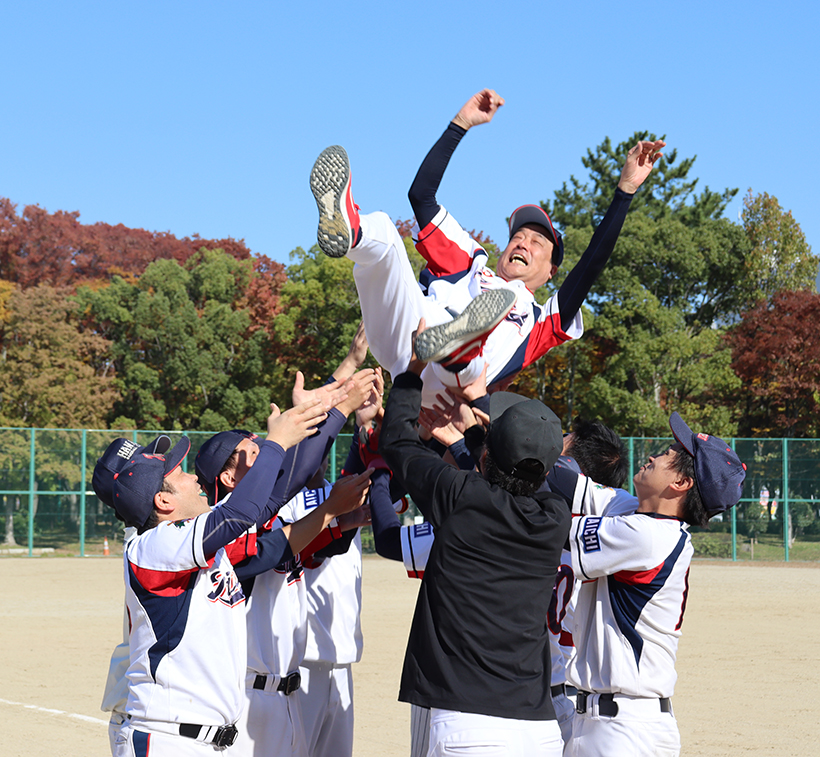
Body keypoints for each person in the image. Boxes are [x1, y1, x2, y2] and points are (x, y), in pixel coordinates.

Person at [310, 89, 664, 406]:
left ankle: (460, 345)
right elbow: (421, 197)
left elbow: (590, 266)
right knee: (385, 233)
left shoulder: (545, 319)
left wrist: (625, 192)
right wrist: (460, 124)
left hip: (449, 392)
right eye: (517, 236)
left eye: (537, 241)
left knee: (471, 346)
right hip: (407, 342)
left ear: (552, 270)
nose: (523, 242)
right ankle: (350, 229)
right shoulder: (471, 261)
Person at [108, 397, 367, 757]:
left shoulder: (194, 546)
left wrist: (332, 518)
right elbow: (241, 513)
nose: (194, 478)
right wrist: (277, 443)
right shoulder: (154, 547)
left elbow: (272, 540)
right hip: (168, 736)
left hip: (208, 735)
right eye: (180, 476)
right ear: (164, 503)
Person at [378, 322, 571, 756]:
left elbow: (395, 442)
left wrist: (412, 370)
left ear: (486, 455)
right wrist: (479, 434)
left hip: (467, 723)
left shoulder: (462, 495)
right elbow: (528, 477)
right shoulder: (554, 517)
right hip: (538, 729)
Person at [193, 372, 375, 757]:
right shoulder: (223, 522)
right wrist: (339, 408)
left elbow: (296, 548)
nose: (266, 453)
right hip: (252, 699)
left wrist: (339, 523)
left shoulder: (257, 518)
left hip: (288, 694)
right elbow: (274, 539)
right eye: (253, 451)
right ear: (228, 477)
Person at [548, 412, 746, 757]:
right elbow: (564, 481)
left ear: (681, 483)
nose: (655, 455)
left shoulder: (650, 536)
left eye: (669, 453)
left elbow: (547, 527)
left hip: (625, 731)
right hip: (609, 722)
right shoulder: (633, 514)